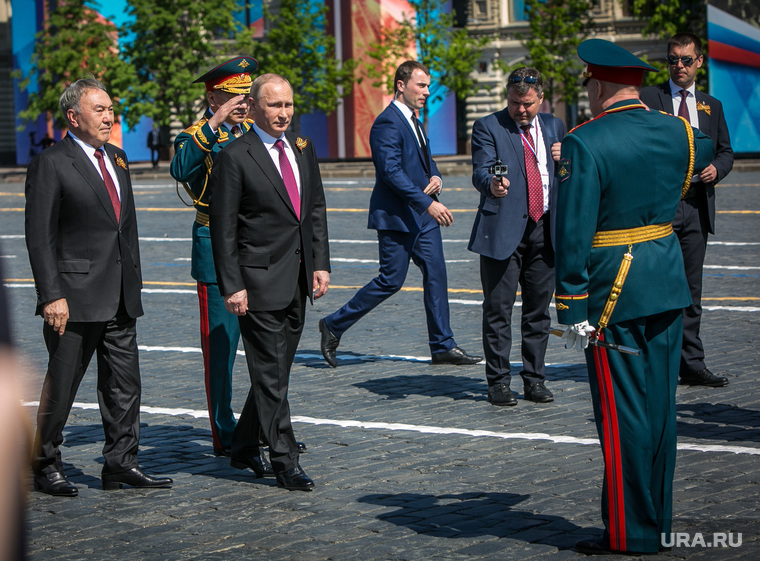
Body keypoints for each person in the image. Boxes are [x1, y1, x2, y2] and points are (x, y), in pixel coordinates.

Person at [554, 39, 714, 555]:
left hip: (611, 296)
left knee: (623, 418)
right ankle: (658, 523)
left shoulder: (585, 141)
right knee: (661, 413)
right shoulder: (679, 132)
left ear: (598, 85)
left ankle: (631, 535)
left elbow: (573, 233)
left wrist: (571, 308)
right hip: (667, 284)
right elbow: (706, 153)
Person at [24, 78, 173, 496]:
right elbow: (40, 237)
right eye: (99, 109)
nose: (109, 116)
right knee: (63, 386)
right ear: (74, 116)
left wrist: (135, 283)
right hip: (73, 298)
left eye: (111, 109)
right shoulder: (51, 163)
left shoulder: (119, 158)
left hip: (121, 294)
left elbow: (125, 228)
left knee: (125, 386)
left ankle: (121, 464)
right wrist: (51, 295)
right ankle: (44, 463)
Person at [208, 73, 330, 491]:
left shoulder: (302, 147)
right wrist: (232, 284)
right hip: (256, 282)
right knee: (272, 373)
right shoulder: (235, 155)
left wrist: (320, 262)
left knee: (275, 371)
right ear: (255, 108)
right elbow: (224, 228)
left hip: (297, 277)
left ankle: (243, 444)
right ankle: (285, 459)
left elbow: (314, 208)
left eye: (289, 105)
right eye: (275, 106)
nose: (283, 113)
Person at [319, 60, 481, 368]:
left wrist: (437, 178)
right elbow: (390, 172)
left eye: (428, 86)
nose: (426, 91)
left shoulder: (415, 120)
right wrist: (427, 202)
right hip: (397, 216)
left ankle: (442, 345)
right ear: (401, 85)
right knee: (390, 281)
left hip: (421, 217)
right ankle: (333, 325)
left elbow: (425, 160)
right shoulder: (387, 122)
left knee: (437, 274)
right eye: (421, 85)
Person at [170, 56, 258, 458]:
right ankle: (225, 431)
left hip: (258, 250)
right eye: (233, 95)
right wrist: (216, 121)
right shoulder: (195, 135)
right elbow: (181, 168)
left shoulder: (255, 133)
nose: (242, 102)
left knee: (267, 348)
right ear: (212, 96)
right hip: (215, 250)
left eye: (246, 94)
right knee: (221, 353)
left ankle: (265, 427)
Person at [640, 32, 734, 388]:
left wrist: (717, 170)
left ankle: (691, 363)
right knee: (655, 287)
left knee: (691, 292)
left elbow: (726, 151)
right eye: (672, 60)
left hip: (696, 208)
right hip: (660, 208)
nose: (678, 66)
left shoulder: (713, 105)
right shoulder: (650, 97)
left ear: (699, 62)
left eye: (685, 60)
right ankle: (655, 361)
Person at [469, 67, 565, 406]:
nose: (520, 110)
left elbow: (567, 173)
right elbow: (482, 168)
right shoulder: (488, 126)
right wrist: (492, 184)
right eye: (514, 103)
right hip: (503, 230)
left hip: (545, 229)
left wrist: (564, 160)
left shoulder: (555, 126)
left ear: (541, 98)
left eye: (527, 104)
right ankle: (498, 382)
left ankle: (535, 379)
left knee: (538, 312)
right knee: (498, 309)